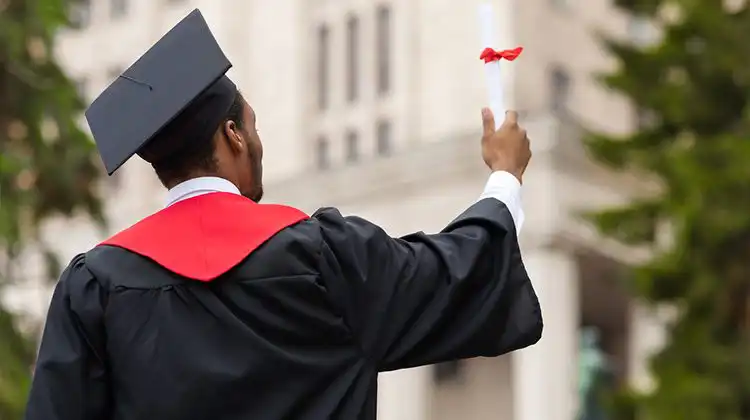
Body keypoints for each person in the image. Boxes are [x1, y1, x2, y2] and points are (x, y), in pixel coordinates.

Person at [24, 9, 541, 420]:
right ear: (232, 136)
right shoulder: (325, 257)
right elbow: (458, 270)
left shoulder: (96, 286)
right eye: (251, 125)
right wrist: (504, 176)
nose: (256, 140)